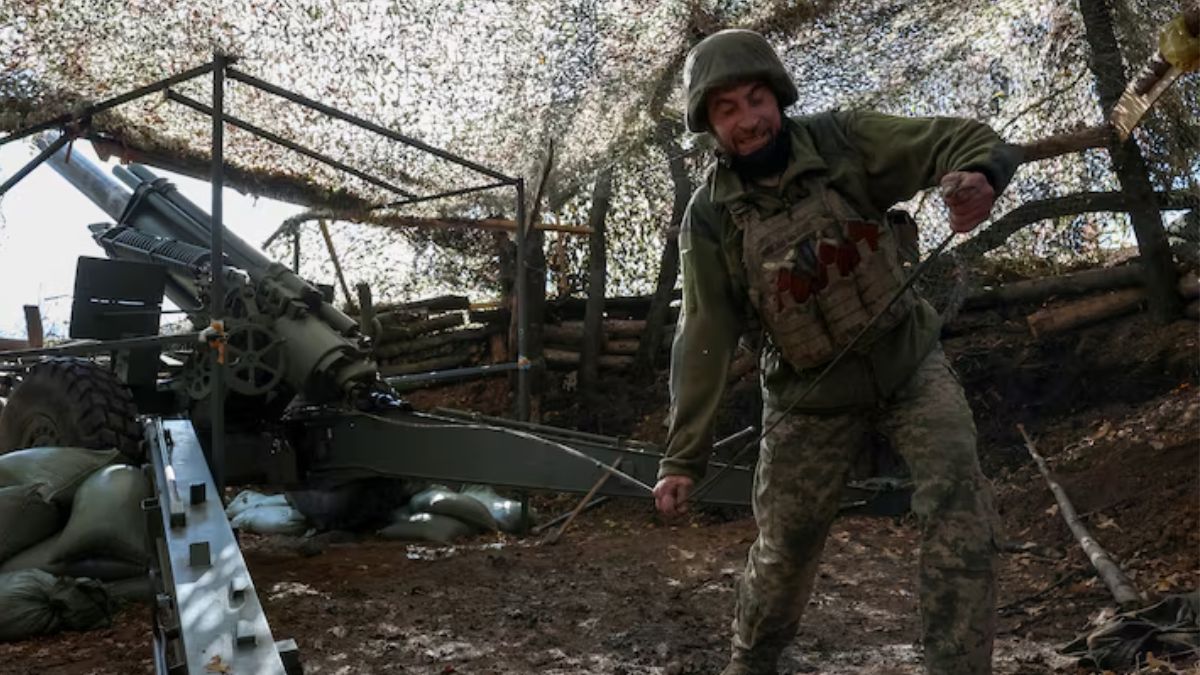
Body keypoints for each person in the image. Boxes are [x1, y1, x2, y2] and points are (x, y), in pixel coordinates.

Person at [652, 29, 1020, 675]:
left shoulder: (844, 141)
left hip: (908, 365)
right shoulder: (709, 217)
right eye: (727, 109)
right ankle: (751, 663)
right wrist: (684, 455)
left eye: (756, 99)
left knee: (958, 499)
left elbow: (955, 140)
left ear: (779, 97)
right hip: (807, 396)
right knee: (784, 547)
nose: (748, 120)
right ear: (709, 125)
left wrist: (978, 178)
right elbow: (704, 331)